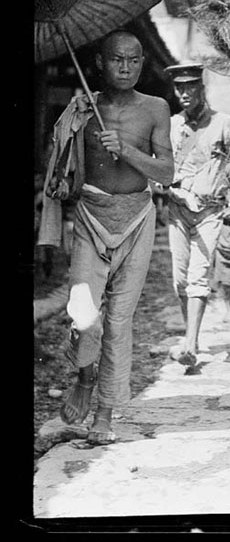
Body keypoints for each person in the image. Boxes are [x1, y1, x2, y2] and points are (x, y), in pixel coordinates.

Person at [38, 30, 174, 444]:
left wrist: (127, 150)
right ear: (100, 63)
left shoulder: (156, 108)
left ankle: (104, 414)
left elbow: (166, 172)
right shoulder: (82, 109)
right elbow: (57, 167)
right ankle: (83, 377)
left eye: (134, 61)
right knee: (83, 313)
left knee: (118, 321)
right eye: (117, 60)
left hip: (136, 217)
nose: (126, 68)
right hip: (91, 216)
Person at [164, 62, 230, 365]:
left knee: (198, 275)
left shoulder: (222, 123)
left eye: (190, 86)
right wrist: (170, 187)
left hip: (210, 211)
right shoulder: (170, 126)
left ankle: (191, 344)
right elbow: (160, 168)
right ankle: (189, 335)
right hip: (178, 209)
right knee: (179, 279)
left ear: (201, 89)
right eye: (179, 87)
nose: (184, 92)